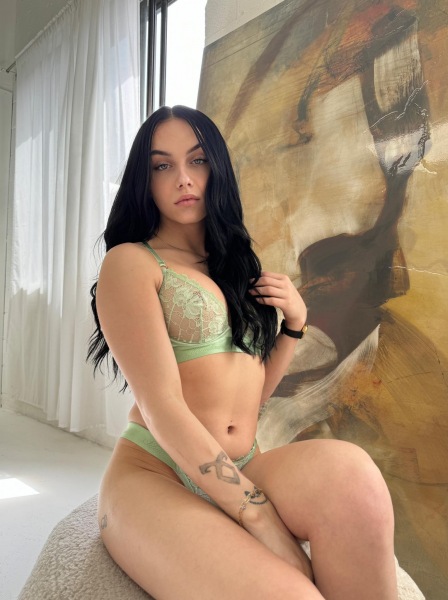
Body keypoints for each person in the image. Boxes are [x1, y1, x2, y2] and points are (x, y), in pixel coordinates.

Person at [87, 105, 398, 600]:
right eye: (162, 166)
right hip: (158, 473)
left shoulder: (236, 268)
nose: (183, 178)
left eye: (197, 160)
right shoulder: (131, 263)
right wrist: (260, 516)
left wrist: (294, 326)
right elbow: (161, 405)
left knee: (356, 480)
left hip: (242, 461)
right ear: (144, 182)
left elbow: (249, 399)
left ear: (218, 169)